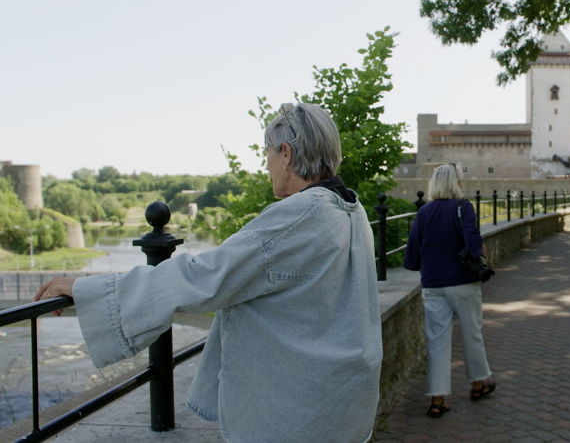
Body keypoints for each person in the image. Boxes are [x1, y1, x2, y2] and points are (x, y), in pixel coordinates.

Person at [34, 103, 382, 443]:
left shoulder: (300, 215)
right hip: (343, 398)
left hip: (301, 412)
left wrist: (88, 290)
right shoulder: (351, 208)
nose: (267, 165)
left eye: (268, 154)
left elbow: (205, 276)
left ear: (286, 154)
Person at [403, 163, 496, 418]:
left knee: (437, 342)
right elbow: (472, 242)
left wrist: (424, 265)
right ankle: (478, 383)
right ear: (456, 183)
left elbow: (412, 254)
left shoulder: (424, 212)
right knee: (471, 334)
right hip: (463, 281)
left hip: (433, 284)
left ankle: (438, 398)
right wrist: (478, 253)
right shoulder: (463, 208)